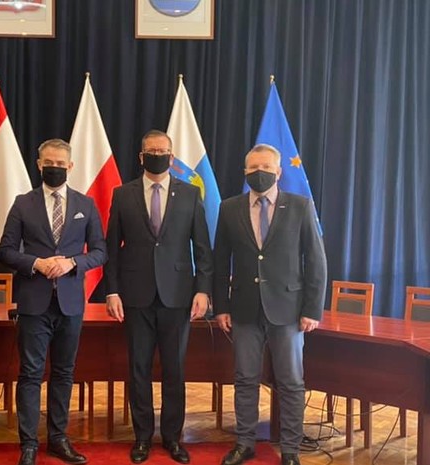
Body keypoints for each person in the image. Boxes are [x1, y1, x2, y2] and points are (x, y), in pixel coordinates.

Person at [213, 144, 327, 465]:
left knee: (290, 382)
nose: (258, 172)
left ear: (278, 172)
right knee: (245, 379)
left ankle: (290, 450)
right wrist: (221, 306)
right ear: (245, 172)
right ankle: (245, 443)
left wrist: (312, 309)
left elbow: (316, 261)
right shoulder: (229, 208)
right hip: (244, 309)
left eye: (265, 167)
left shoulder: (300, 206)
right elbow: (220, 261)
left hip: (289, 310)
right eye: (253, 168)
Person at [104, 129, 213, 464]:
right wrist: (112, 290)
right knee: (138, 369)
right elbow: (111, 249)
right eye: (151, 151)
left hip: (178, 296)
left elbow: (203, 248)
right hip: (135, 296)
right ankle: (141, 437)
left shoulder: (190, 194)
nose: (157, 155)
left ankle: (172, 438)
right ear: (141, 157)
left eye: (162, 151)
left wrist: (203, 290)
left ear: (172, 155)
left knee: (174, 369)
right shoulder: (122, 194)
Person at [0, 138, 106, 465]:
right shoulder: (22, 203)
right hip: (34, 302)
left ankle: (58, 438)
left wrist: (73, 262)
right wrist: (36, 263)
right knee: (30, 373)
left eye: (61, 163)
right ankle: (29, 443)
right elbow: (6, 251)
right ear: (39, 164)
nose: (55, 168)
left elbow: (100, 252)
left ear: (70, 166)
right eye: (49, 163)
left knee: (64, 372)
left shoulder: (86, 204)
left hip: (70, 303)